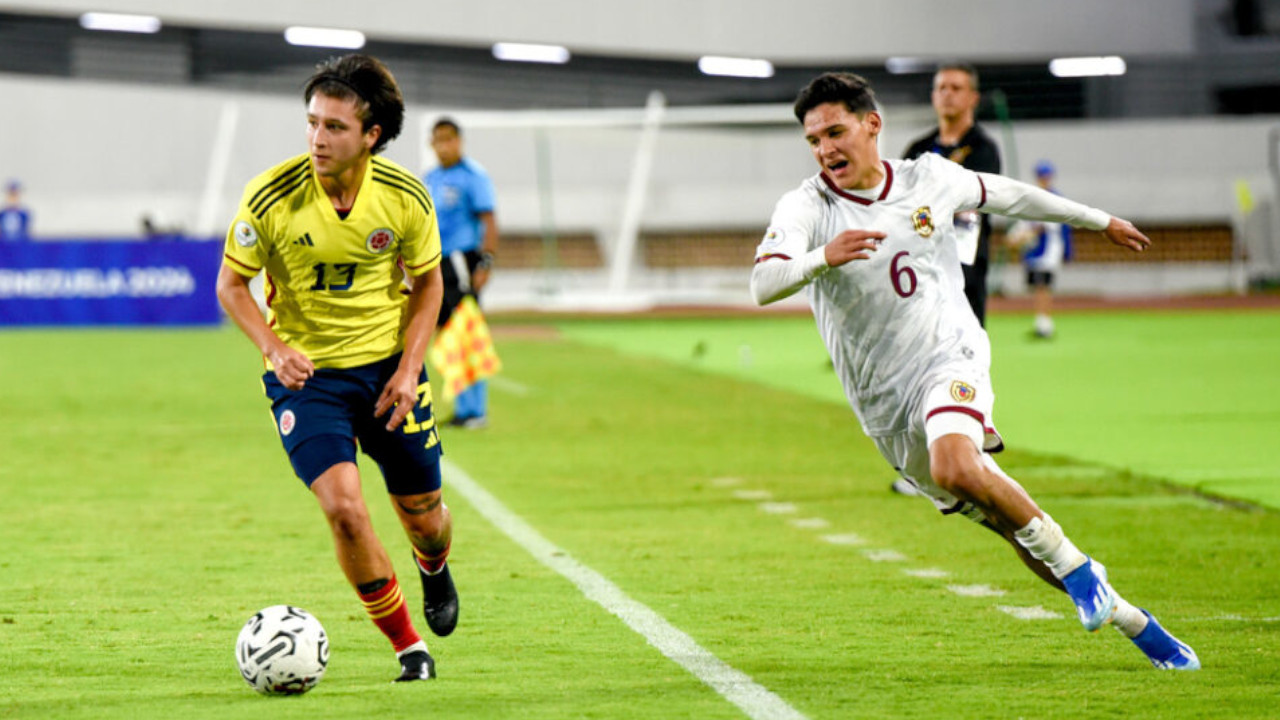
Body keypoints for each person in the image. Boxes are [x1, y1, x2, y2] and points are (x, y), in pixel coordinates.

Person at [751, 72, 1199, 671]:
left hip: (949, 355)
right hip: (884, 406)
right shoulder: (808, 206)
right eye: (814, 140)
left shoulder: (929, 178)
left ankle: (1082, 576)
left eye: (835, 132)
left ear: (871, 124)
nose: (825, 149)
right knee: (1005, 520)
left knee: (956, 466)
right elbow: (763, 283)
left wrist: (1098, 220)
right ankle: (1127, 616)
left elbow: (1010, 195)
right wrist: (820, 257)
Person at [215, 54, 458, 683]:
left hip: (388, 373)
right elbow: (231, 287)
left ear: (371, 135)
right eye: (312, 123)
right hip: (309, 381)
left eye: (334, 127)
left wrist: (410, 369)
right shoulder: (271, 197)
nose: (317, 138)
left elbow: (429, 285)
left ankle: (433, 566)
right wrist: (274, 349)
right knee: (345, 509)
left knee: (426, 516)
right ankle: (409, 648)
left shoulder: (404, 197)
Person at [902, 62, 1001, 327]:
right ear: (933, 96)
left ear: (973, 98)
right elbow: (901, 202)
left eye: (956, 88)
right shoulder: (918, 149)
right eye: (941, 88)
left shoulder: (983, 149)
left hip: (965, 266)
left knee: (965, 345)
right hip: (920, 265)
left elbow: (967, 202)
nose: (947, 94)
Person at [424, 118, 500, 429]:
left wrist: (486, 262)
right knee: (446, 335)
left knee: (467, 333)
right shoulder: (430, 178)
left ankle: (476, 410)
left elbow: (489, 219)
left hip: (461, 262)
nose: (444, 146)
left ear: (459, 141)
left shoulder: (473, 176)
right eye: (438, 140)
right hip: (436, 263)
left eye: (449, 139)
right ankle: (462, 407)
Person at [1008, 161, 1073, 339]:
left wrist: (1023, 236)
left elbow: (1049, 227)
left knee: (1043, 287)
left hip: (1048, 252)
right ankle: (1041, 321)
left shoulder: (1055, 199)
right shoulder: (1033, 197)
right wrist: (1016, 236)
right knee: (1037, 287)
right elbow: (1024, 222)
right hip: (1033, 251)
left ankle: (1045, 323)